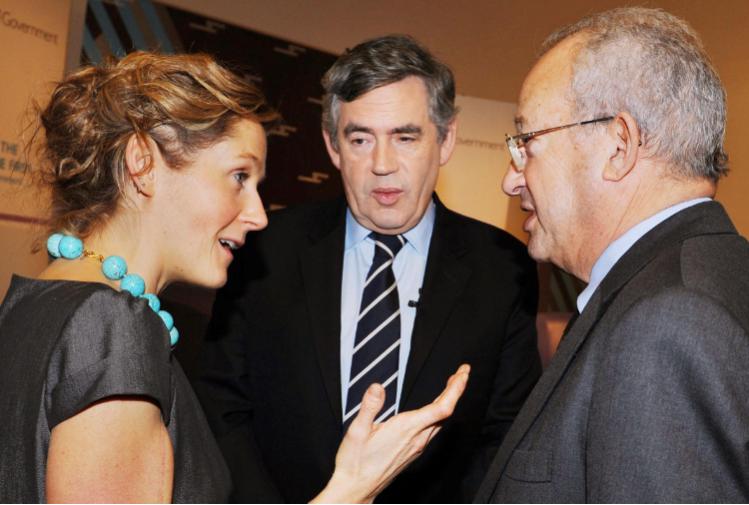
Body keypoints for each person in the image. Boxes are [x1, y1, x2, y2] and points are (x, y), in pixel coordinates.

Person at [0, 51, 471, 503]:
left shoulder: (37, 300)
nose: (259, 215)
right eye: (239, 177)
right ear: (142, 162)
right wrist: (350, 489)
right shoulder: (111, 326)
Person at [195, 35, 540, 503]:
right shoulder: (265, 249)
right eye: (360, 139)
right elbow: (222, 408)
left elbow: (506, 434)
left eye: (405, 137)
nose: (382, 165)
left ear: (446, 139)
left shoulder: (501, 266)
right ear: (332, 146)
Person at [475, 7, 749, 503]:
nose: (511, 179)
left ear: (618, 146)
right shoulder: (711, 277)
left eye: (526, 143)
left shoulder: (667, 325)